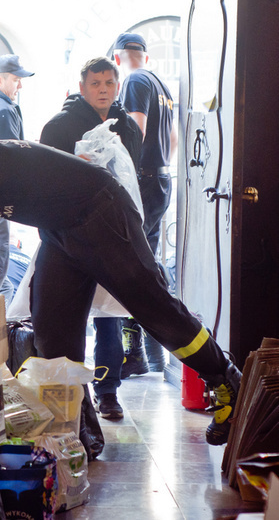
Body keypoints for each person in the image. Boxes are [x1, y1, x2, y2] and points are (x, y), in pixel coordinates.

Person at [0, 122, 240, 446]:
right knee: (52, 331)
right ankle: (78, 431)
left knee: (153, 307)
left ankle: (223, 376)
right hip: (60, 232)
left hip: (101, 214)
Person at [39, 57, 142, 420]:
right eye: (95, 83)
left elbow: (132, 182)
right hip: (68, 236)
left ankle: (108, 391)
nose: (102, 89)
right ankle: (71, 400)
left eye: (109, 83)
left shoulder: (127, 127)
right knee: (67, 320)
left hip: (113, 235)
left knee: (110, 317)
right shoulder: (58, 127)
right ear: (82, 88)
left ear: (117, 86)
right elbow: (45, 184)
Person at [113, 32, 179, 377]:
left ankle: (137, 350)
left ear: (118, 58)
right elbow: (172, 140)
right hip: (161, 179)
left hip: (143, 180)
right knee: (145, 261)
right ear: (145, 56)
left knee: (131, 264)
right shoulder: (160, 84)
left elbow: (134, 131)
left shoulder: (135, 81)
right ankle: (151, 351)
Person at [0, 55, 34, 302]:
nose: (20, 86)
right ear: (0, 80)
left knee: (2, 273)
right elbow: (10, 158)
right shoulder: (4, 110)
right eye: (16, 80)